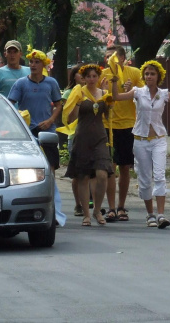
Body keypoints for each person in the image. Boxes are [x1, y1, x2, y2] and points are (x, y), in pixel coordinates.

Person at [112, 60, 170, 228]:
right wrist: (114, 82)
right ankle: (150, 215)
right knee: (145, 178)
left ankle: (161, 215)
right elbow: (117, 97)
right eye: (146, 74)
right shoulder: (138, 92)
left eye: (152, 74)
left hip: (159, 139)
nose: (149, 76)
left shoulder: (164, 94)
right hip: (140, 140)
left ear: (158, 76)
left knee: (160, 176)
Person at [7, 49, 66, 226]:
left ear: (43, 65)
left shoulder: (51, 83)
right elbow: (10, 105)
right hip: (28, 132)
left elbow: (58, 104)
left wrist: (50, 120)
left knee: (50, 170)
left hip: (48, 131)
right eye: (31, 62)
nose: (33, 65)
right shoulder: (20, 83)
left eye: (36, 62)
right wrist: (20, 120)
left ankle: (53, 212)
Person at [63, 64, 112, 226]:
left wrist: (108, 100)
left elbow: (108, 115)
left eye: (94, 76)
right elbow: (70, 119)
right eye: (88, 77)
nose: (91, 79)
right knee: (83, 176)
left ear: (98, 78)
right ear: (83, 78)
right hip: (82, 138)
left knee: (102, 174)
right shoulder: (79, 92)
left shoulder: (104, 93)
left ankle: (97, 210)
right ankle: (86, 214)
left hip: (100, 137)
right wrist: (77, 102)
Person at [101, 45, 143, 222]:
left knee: (125, 167)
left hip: (127, 125)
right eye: (107, 56)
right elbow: (92, 97)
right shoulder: (102, 75)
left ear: (123, 58)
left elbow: (145, 93)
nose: (110, 60)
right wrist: (102, 91)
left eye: (114, 57)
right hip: (107, 125)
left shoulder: (133, 73)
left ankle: (121, 207)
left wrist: (132, 88)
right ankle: (110, 208)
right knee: (110, 168)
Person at [59, 63, 86, 216]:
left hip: (91, 135)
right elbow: (68, 118)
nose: (82, 76)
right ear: (73, 76)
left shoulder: (94, 91)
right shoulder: (68, 93)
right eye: (79, 73)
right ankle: (78, 204)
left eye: (85, 73)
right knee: (77, 173)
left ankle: (91, 203)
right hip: (75, 135)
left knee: (92, 172)